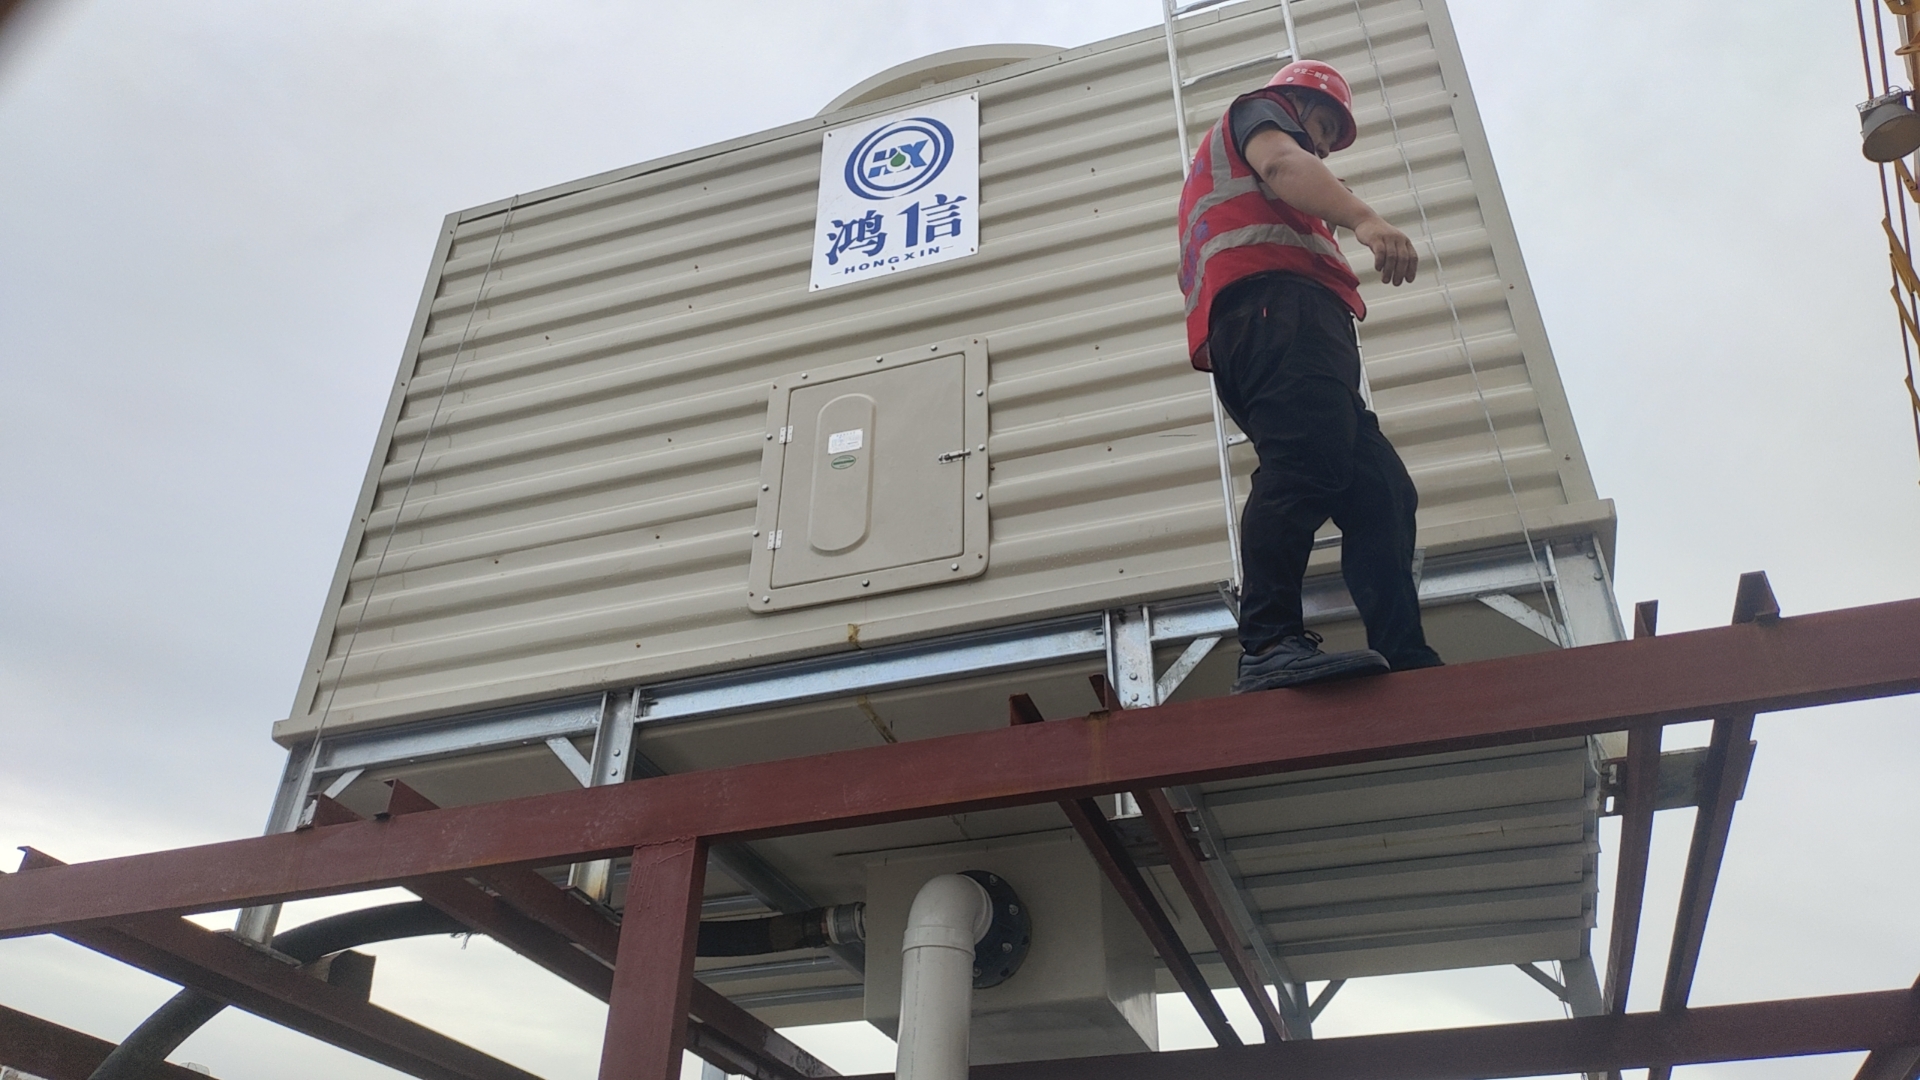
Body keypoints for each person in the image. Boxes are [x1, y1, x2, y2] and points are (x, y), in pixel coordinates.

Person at [1176, 59, 1444, 692]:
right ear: (1291, 101)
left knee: (1381, 491)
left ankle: (1402, 652)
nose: (1320, 146)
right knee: (1303, 465)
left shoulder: (1282, 168)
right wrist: (1366, 219)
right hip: (1277, 315)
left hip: (1284, 328)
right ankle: (1269, 643)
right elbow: (1280, 163)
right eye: (1322, 126)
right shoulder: (1259, 115)